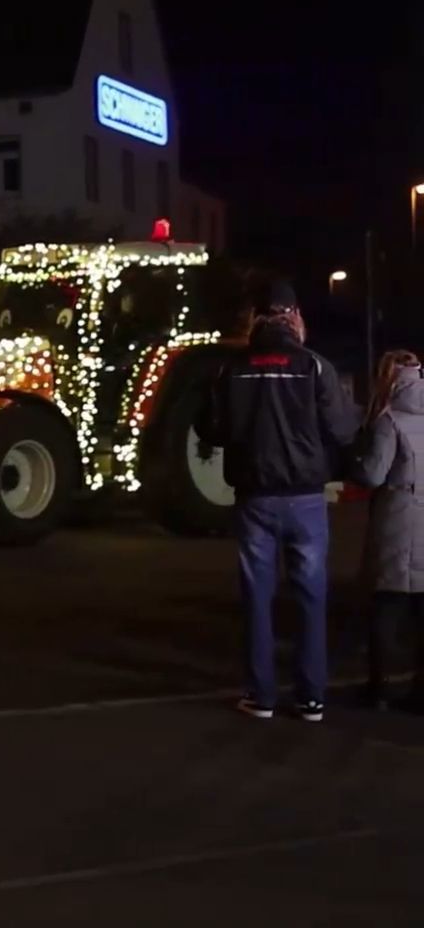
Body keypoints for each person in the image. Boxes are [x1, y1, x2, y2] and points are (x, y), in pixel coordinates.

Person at [198, 280, 357, 722]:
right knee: (310, 597)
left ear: (257, 318)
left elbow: (211, 429)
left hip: (255, 498)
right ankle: (310, 697)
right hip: (306, 498)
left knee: (257, 597)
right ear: (294, 317)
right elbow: (343, 430)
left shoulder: (231, 369)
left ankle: (261, 695)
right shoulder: (315, 368)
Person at [352, 349, 422, 711]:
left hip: (398, 519)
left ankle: (378, 689)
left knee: (386, 606)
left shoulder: (388, 420)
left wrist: (356, 462)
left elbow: (372, 474)